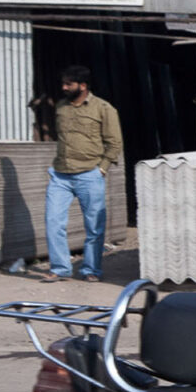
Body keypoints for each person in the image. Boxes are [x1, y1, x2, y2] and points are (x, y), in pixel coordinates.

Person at [43, 65, 123, 283]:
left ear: (83, 86)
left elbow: (115, 142)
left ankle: (91, 270)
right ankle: (60, 269)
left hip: (90, 174)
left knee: (94, 226)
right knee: (53, 221)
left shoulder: (104, 109)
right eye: (63, 83)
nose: (64, 87)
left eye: (69, 84)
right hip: (60, 175)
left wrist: (103, 168)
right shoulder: (61, 107)